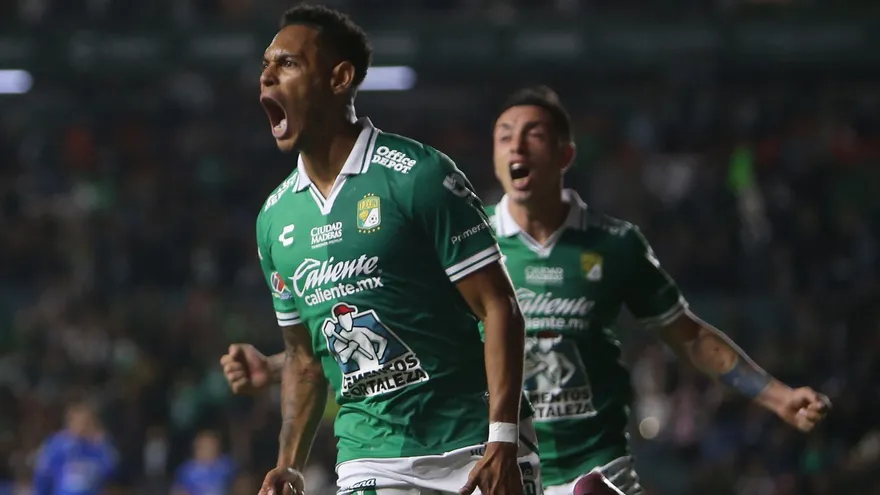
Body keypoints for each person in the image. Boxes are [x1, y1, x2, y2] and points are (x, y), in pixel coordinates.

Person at [223, 85, 833, 494]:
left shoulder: (615, 245)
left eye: (533, 134)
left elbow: (690, 337)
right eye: (503, 135)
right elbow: (390, 326)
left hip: (592, 463)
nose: (516, 145)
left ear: (565, 153)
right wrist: (278, 364)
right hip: (484, 454)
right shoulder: (468, 236)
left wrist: (778, 396)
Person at [244, 5, 538, 495]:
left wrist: (504, 439)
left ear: (340, 78)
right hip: (371, 456)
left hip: (472, 443)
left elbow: (498, 306)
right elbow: (302, 360)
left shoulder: (417, 175)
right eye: (265, 65)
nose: (267, 76)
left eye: (288, 63)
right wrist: (290, 463)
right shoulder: (274, 220)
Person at [32, 402, 119, 495]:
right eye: (78, 422)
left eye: (86, 422)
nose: (82, 427)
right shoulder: (56, 445)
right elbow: (42, 474)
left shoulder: (98, 447)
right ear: (69, 423)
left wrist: (103, 443)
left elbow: (112, 470)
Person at [171, 430, 237, 495]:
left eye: (210, 447)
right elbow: (177, 490)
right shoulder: (185, 471)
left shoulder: (227, 466)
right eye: (203, 447)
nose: (207, 451)